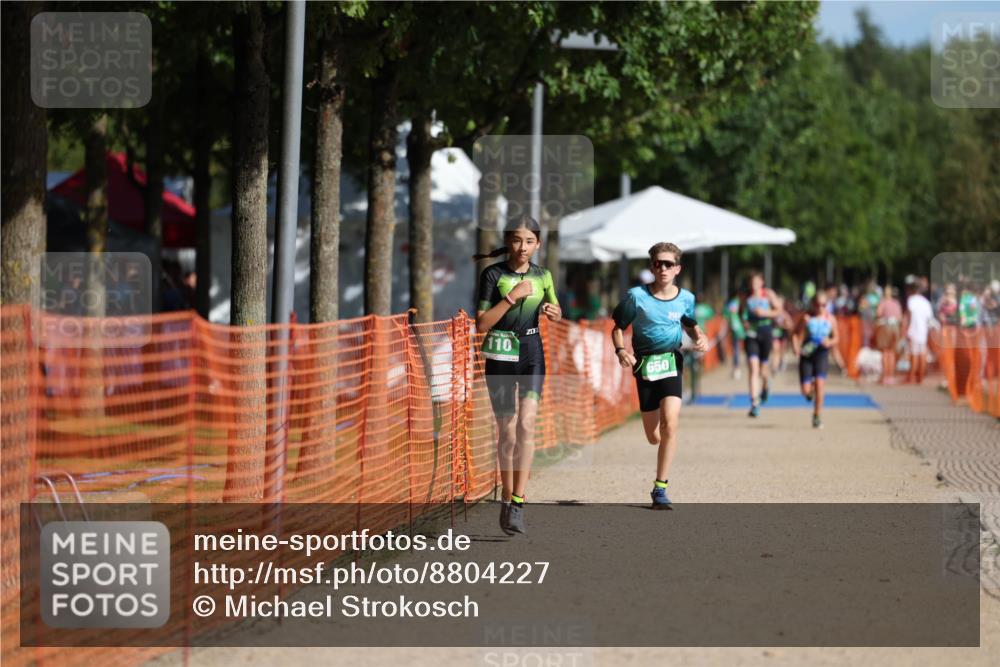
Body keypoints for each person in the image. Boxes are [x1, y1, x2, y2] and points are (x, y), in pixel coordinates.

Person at [475, 214, 562, 535]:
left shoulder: (544, 275)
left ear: (538, 244)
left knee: (526, 425)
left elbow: (556, 308)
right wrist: (512, 297)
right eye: (516, 240)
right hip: (499, 353)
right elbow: (481, 324)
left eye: (529, 241)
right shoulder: (493, 274)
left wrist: (554, 311)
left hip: (531, 353)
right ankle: (507, 496)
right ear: (507, 241)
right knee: (507, 433)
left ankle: (518, 502)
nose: (522, 247)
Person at [611, 242, 708, 509]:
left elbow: (690, 324)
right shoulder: (636, 296)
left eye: (668, 264)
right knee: (654, 435)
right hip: (644, 366)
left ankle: (660, 488)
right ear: (652, 266)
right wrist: (621, 350)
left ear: (677, 268)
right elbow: (617, 327)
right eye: (658, 263)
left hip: (672, 362)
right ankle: (658, 450)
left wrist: (700, 336)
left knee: (670, 424)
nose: (662, 268)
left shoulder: (686, 298)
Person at [792, 292, 839, 429]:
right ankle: (809, 390)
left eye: (823, 305)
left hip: (821, 354)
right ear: (813, 305)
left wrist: (829, 342)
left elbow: (837, 337)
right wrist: (796, 347)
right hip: (807, 355)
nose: (820, 308)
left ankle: (817, 416)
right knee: (805, 391)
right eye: (817, 305)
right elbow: (795, 334)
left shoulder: (830, 319)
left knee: (820, 384)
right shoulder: (806, 318)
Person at [740, 272, 782, 418]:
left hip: (766, 331)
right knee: (753, 368)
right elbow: (741, 312)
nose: (754, 285)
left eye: (757, 282)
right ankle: (754, 404)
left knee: (763, 370)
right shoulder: (746, 297)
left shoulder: (768, 294)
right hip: (751, 334)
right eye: (752, 282)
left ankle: (765, 385)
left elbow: (778, 311)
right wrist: (744, 322)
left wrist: (764, 313)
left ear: (762, 282)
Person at [903, 283, 935, 384]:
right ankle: (921, 377)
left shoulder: (911, 300)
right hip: (923, 331)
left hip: (913, 330)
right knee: (922, 354)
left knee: (914, 354)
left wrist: (905, 329)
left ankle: (912, 376)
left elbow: (908, 315)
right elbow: (930, 318)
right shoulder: (926, 302)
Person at [875, 286, 903, 384]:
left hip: (885, 326)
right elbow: (900, 317)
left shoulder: (883, 302)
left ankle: (884, 376)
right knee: (892, 351)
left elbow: (878, 313)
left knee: (885, 351)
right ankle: (890, 376)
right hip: (895, 327)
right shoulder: (896, 303)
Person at [724, 295, 745, 379]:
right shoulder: (737, 302)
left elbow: (728, 316)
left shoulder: (733, 303)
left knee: (736, 349)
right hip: (737, 328)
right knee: (736, 349)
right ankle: (736, 368)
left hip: (737, 328)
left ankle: (737, 368)